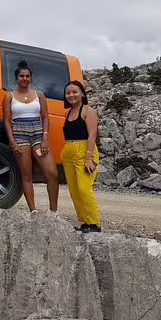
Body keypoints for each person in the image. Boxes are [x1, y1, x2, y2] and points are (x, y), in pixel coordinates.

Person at [2, 61, 60, 212]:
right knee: (26, 175)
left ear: (31, 78)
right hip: (20, 135)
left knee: (52, 173)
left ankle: (53, 211)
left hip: (38, 135)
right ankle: (33, 210)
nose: (24, 78)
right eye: (21, 76)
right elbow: (7, 121)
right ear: (17, 78)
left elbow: (45, 117)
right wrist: (12, 142)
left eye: (27, 76)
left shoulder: (38, 94)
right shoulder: (10, 96)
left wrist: (45, 139)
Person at [61, 80, 101, 233]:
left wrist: (89, 158)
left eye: (74, 92)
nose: (71, 95)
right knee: (74, 190)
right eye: (68, 92)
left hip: (85, 151)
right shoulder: (68, 112)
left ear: (82, 94)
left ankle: (94, 223)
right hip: (69, 151)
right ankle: (85, 221)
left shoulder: (88, 111)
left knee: (84, 188)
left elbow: (92, 136)